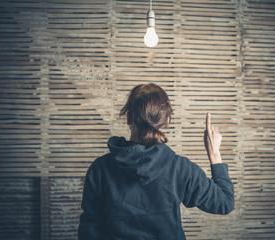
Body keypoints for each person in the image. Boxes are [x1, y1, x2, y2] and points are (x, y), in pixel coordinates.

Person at [78, 83, 234, 240]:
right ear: (166, 121)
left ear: (129, 118)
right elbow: (225, 203)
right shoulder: (181, 169)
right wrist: (214, 153)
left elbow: (89, 229)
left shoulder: (99, 168)